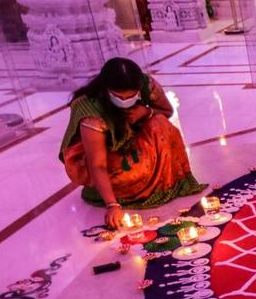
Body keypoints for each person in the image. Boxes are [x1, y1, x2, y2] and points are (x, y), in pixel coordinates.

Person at [59, 58, 205, 229]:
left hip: (137, 142)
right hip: (111, 158)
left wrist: (146, 111)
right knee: (133, 172)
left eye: (131, 96)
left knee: (161, 124)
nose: (126, 101)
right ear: (107, 90)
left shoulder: (146, 85)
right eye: (119, 97)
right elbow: (97, 164)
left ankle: (161, 185)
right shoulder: (91, 111)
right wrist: (112, 205)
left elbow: (166, 111)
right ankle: (126, 192)